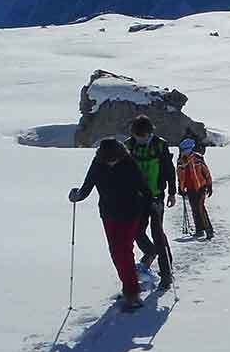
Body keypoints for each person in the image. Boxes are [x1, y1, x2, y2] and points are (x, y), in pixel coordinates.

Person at [69, 138, 152, 311]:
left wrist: (153, 202)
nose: (111, 162)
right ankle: (128, 285)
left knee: (124, 251)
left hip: (131, 212)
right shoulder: (98, 164)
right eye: (108, 160)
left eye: (114, 159)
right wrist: (77, 196)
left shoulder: (128, 162)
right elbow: (87, 186)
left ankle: (132, 293)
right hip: (108, 214)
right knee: (115, 252)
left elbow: (142, 185)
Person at [127, 115, 176, 290]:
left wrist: (171, 192)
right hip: (136, 197)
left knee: (157, 232)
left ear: (150, 132)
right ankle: (150, 251)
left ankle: (166, 272)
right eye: (138, 135)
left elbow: (169, 170)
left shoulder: (160, 145)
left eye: (144, 135)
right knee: (136, 231)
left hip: (156, 196)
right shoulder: (129, 145)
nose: (141, 138)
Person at [177, 138, 216, 240]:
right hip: (190, 189)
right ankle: (199, 230)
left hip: (200, 187)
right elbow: (180, 176)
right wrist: (180, 188)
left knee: (200, 209)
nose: (185, 151)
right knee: (195, 209)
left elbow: (206, 172)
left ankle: (209, 230)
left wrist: (209, 185)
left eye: (187, 149)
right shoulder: (180, 161)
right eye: (184, 149)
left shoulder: (198, 158)